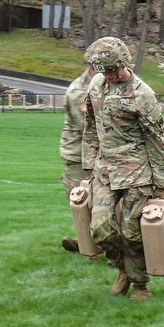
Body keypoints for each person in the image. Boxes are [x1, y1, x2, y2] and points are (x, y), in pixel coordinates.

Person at [82, 36, 164, 300]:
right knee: (100, 228)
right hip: (104, 171)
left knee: (133, 234)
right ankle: (122, 269)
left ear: (123, 64)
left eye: (111, 69)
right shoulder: (97, 85)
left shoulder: (143, 94)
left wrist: (162, 184)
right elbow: (90, 128)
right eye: (102, 70)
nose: (107, 75)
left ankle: (141, 286)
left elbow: (157, 140)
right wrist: (88, 168)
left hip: (137, 173)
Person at [59, 66, 103, 261]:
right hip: (79, 156)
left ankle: (90, 242)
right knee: (83, 201)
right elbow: (89, 127)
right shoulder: (78, 91)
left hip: (101, 154)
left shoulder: (106, 84)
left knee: (105, 201)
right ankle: (90, 249)